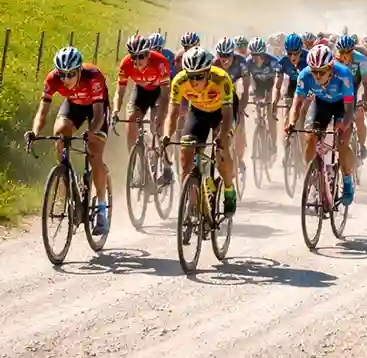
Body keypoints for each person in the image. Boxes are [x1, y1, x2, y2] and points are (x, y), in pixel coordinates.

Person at [27, 46, 112, 234]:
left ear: (79, 70)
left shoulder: (93, 77)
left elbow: (99, 114)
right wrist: (34, 131)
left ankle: (101, 209)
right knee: (60, 135)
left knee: (95, 152)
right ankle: (68, 183)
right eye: (62, 74)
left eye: (71, 74)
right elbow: (42, 112)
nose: (66, 79)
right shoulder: (52, 79)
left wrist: (92, 131)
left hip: (96, 108)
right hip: (74, 105)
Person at [166, 47, 238, 215]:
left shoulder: (221, 79)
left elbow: (228, 116)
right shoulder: (179, 81)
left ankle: (229, 190)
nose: (194, 81)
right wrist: (167, 135)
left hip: (222, 112)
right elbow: (172, 113)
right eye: (191, 76)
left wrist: (221, 136)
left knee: (222, 149)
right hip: (199, 112)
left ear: (208, 72)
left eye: (199, 76)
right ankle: (192, 203)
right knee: (185, 153)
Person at [286, 44, 358, 206]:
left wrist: (343, 126)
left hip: (341, 106)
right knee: (309, 138)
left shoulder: (344, 74)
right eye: (314, 72)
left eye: (322, 72)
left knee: (342, 143)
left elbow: (349, 110)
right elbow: (296, 104)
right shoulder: (305, 75)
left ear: (330, 68)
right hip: (321, 104)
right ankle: (313, 180)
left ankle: (347, 179)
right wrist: (291, 122)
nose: (317, 76)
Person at [111, 34, 173, 179]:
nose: (137, 61)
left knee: (157, 128)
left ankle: (166, 165)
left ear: (148, 54)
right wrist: (115, 110)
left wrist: (161, 116)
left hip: (159, 93)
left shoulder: (160, 62)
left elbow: (165, 96)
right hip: (140, 93)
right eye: (134, 57)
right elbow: (119, 91)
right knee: (131, 122)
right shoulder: (126, 64)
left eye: (141, 56)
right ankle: (138, 166)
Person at [213, 37, 250, 179]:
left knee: (238, 125)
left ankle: (239, 159)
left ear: (233, 53)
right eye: (221, 55)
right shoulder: (214, 64)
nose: (225, 59)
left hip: (232, 95)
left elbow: (246, 87)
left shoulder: (241, 62)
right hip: (216, 95)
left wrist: (242, 107)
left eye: (228, 55)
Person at [333, 33, 367, 160]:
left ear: (352, 50)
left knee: (359, 116)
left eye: (348, 52)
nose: (345, 55)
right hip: (339, 91)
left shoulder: (361, 59)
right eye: (342, 52)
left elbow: (366, 83)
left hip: (355, 89)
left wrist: (364, 99)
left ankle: (361, 145)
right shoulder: (333, 59)